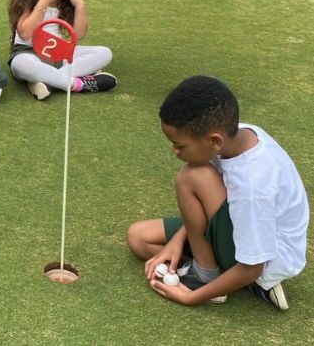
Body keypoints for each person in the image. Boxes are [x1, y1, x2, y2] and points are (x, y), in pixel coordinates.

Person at [126, 76, 309, 310]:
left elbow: (254, 265)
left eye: (179, 145)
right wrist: (175, 242)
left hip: (264, 261)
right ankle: (221, 273)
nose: (174, 151)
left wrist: (192, 298)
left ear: (214, 141)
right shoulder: (234, 136)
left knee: (191, 177)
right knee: (139, 238)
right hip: (240, 228)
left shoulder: (253, 186)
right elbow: (216, 203)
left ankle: (208, 276)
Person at [7, 0, 115, 101]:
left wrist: (79, 4)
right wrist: (44, 2)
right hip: (29, 53)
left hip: (59, 53)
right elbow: (25, 34)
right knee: (21, 65)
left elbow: (79, 34)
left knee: (104, 53)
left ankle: (47, 81)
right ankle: (76, 84)